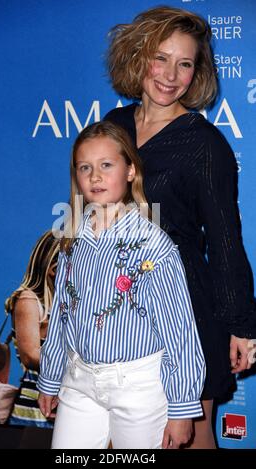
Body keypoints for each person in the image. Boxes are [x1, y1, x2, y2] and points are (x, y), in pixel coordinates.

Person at [104, 6, 256, 448]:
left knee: (190, 435)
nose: (171, 75)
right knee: (118, 436)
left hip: (185, 304)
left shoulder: (205, 144)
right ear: (138, 57)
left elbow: (226, 241)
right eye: (161, 58)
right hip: (117, 304)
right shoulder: (112, 129)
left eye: (185, 63)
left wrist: (242, 324)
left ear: (197, 71)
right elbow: (88, 219)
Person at [37, 121, 205, 449]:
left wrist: (181, 408)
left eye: (106, 165)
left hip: (139, 386)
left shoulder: (153, 245)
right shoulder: (72, 238)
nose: (95, 176)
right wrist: (50, 377)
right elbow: (61, 315)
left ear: (130, 171)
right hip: (80, 381)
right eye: (85, 167)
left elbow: (179, 330)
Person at [5, 230, 60, 427]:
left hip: (69, 407)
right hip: (34, 412)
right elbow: (30, 356)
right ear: (53, 269)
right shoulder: (30, 300)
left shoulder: (72, 305)